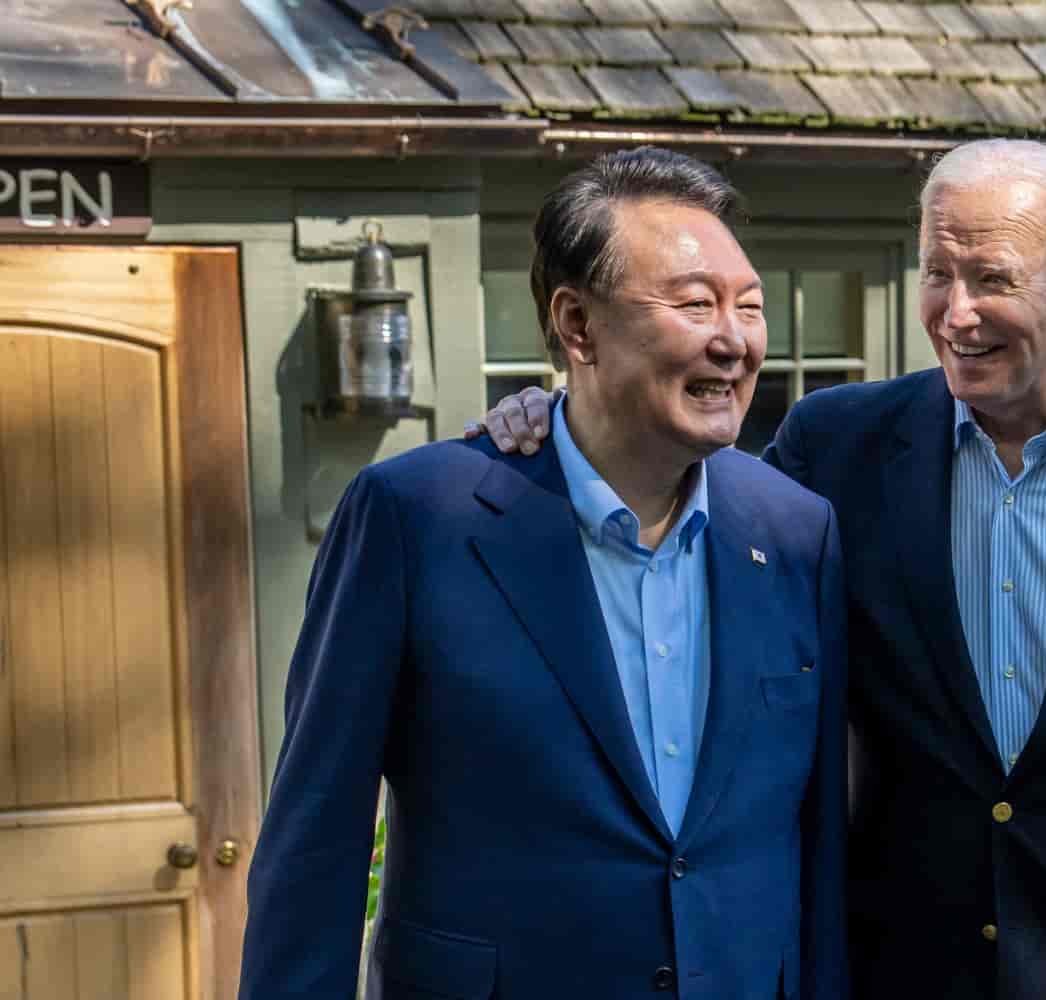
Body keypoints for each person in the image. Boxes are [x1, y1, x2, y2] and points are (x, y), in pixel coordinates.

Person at [477, 139, 1046, 1000]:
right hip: (887, 969)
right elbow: (678, 501)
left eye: (992, 279)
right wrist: (565, 413)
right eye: (936, 274)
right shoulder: (833, 446)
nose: (955, 313)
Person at [241, 148, 848, 999]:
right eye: (695, 303)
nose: (734, 339)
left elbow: (814, 844)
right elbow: (317, 840)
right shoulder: (417, 516)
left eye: (748, 307)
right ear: (577, 326)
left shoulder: (795, 530)